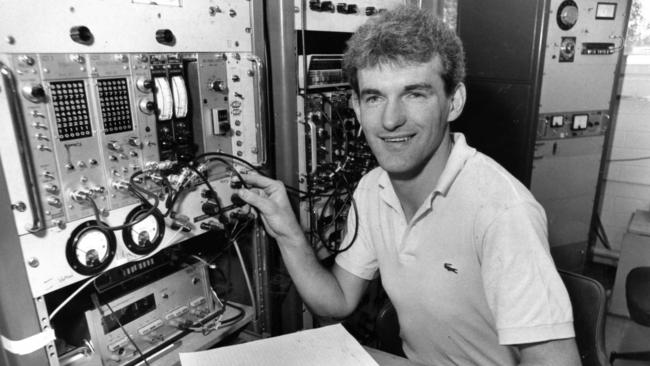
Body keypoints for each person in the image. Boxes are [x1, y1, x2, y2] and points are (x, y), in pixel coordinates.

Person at [235, 5, 581, 365]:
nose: (390, 119)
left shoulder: (503, 211)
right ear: (355, 106)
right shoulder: (373, 188)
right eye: (374, 97)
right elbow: (336, 302)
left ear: (454, 102)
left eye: (415, 94)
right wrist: (288, 233)